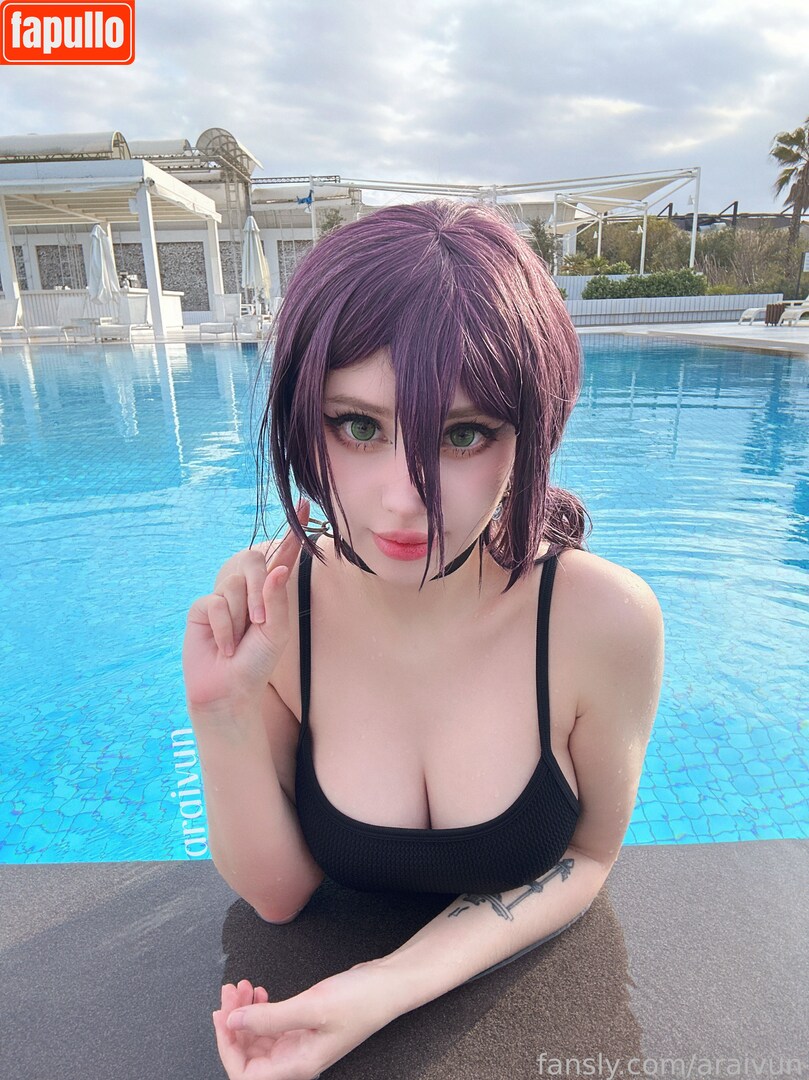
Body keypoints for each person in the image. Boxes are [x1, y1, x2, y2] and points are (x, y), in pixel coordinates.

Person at [181, 199, 665, 1079]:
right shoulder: (280, 615)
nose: (404, 500)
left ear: (531, 432)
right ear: (303, 417)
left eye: (462, 434)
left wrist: (382, 987)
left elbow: (589, 854)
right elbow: (278, 898)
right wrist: (222, 713)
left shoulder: (600, 621)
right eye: (357, 426)